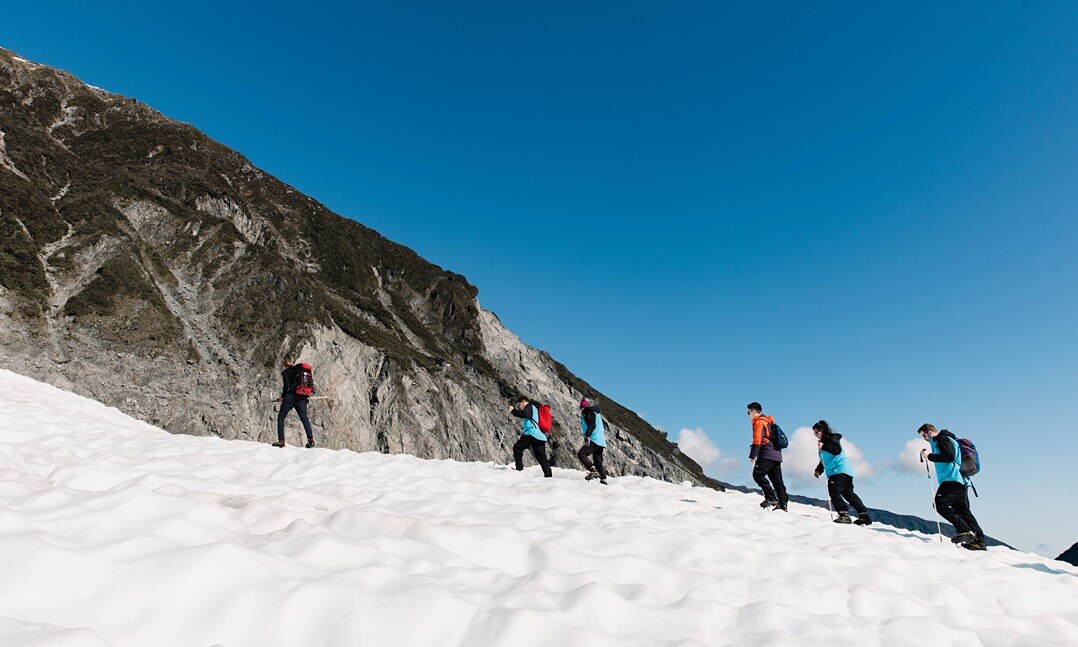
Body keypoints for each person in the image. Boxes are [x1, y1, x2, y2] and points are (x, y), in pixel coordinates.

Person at [918, 423, 986, 551]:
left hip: (951, 480)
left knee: (939, 504)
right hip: (960, 481)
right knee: (963, 511)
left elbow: (949, 457)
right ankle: (979, 541)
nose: (925, 439)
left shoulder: (943, 439)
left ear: (929, 432)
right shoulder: (948, 439)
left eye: (924, 435)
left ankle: (965, 531)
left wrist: (929, 456)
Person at [812, 420, 871, 525]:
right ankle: (863, 515)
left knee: (833, 490)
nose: (816, 435)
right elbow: (824, 460)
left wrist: (823, 446)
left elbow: (837, 450)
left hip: (838, 471)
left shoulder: (831, 439)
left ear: (822, 430)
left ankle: (843, 514)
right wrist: (819, 470)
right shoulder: (823, 443)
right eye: (814, 433)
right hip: (844, 471)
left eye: (817, 432)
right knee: (849, 494)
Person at [748, 402, 788, 511]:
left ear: (754, 411)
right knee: (777, 481)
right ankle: (783, 504)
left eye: (748, 412)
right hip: (776, 454)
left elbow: (757, 440)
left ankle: (771, 497)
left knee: (758, 474)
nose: (748, 415)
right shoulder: (768, 421)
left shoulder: (759, 422)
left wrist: (752, 455)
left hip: (767, 454)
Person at [274, 360, 315, 448]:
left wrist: (283, 396)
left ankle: (281, 441)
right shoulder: (300, 371)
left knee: (281, 417)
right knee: (304, 418)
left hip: (290, 396)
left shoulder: (286, 372)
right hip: (302, 397)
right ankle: (311, 440)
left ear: (284, 365)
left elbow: (287, 386)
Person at [509, 396, 552, 477]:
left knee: (517, 447)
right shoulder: (535, 408)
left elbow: (525, 414)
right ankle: (548, 476)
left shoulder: (529, 406)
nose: (520, 406)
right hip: (540, 437)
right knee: (541, 458)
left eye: (520, 404)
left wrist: (513, 411)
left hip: (532, 434)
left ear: (523, 402)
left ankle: (519, 469)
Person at [577, 398, 608, 485]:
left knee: (582, 454)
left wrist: (587, 435)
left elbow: (592, 425)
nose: (581, 409)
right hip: (600, 441)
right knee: (598, 461)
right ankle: (603, 479)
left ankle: (592, 469)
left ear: (584, 407)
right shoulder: (596, 412)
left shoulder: (589, 412)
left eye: (582, 407)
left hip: (594, 439)